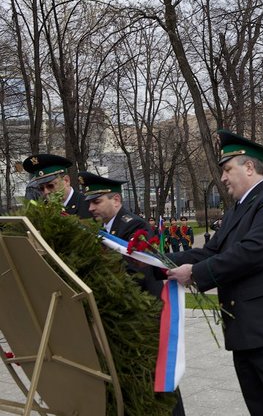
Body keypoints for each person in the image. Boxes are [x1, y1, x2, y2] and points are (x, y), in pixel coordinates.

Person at [166, 130, 263, 416]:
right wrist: (157, 261)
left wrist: (195, 273)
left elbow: (253, 252)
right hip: (246, 330)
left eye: (227, 169)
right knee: (261, 409)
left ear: (248, 167)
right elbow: (211, 252)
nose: (222, 178)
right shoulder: (237, 210)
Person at [79, 171, 185, 416]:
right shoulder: (102, 228)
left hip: (144, 316)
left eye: (97, 201)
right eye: (90, 203)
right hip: (123, 316)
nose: (91, 208)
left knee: (159, 381)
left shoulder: (134, 226)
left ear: (116, 200)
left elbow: (136, 272)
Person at [22, 153, 91, 218]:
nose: (45, 192)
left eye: (50, 186)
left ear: (66, 180)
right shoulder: (41, 211)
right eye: (41, 188)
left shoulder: (89, 206)